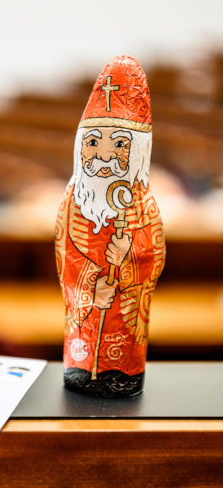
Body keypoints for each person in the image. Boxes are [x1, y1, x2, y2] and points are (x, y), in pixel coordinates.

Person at [55, 56, 166, 389]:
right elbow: (65, 257)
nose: (104, 156)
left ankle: (122, 372)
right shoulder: (74, 199)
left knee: (122, 366)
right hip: (84, 326)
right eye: (93, 142)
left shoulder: (142, 202)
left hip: (124, 327)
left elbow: (154, 257)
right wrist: (92, 286)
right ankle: (81, 364)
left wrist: (129, 255)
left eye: (118, 143)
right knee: (82, 358)